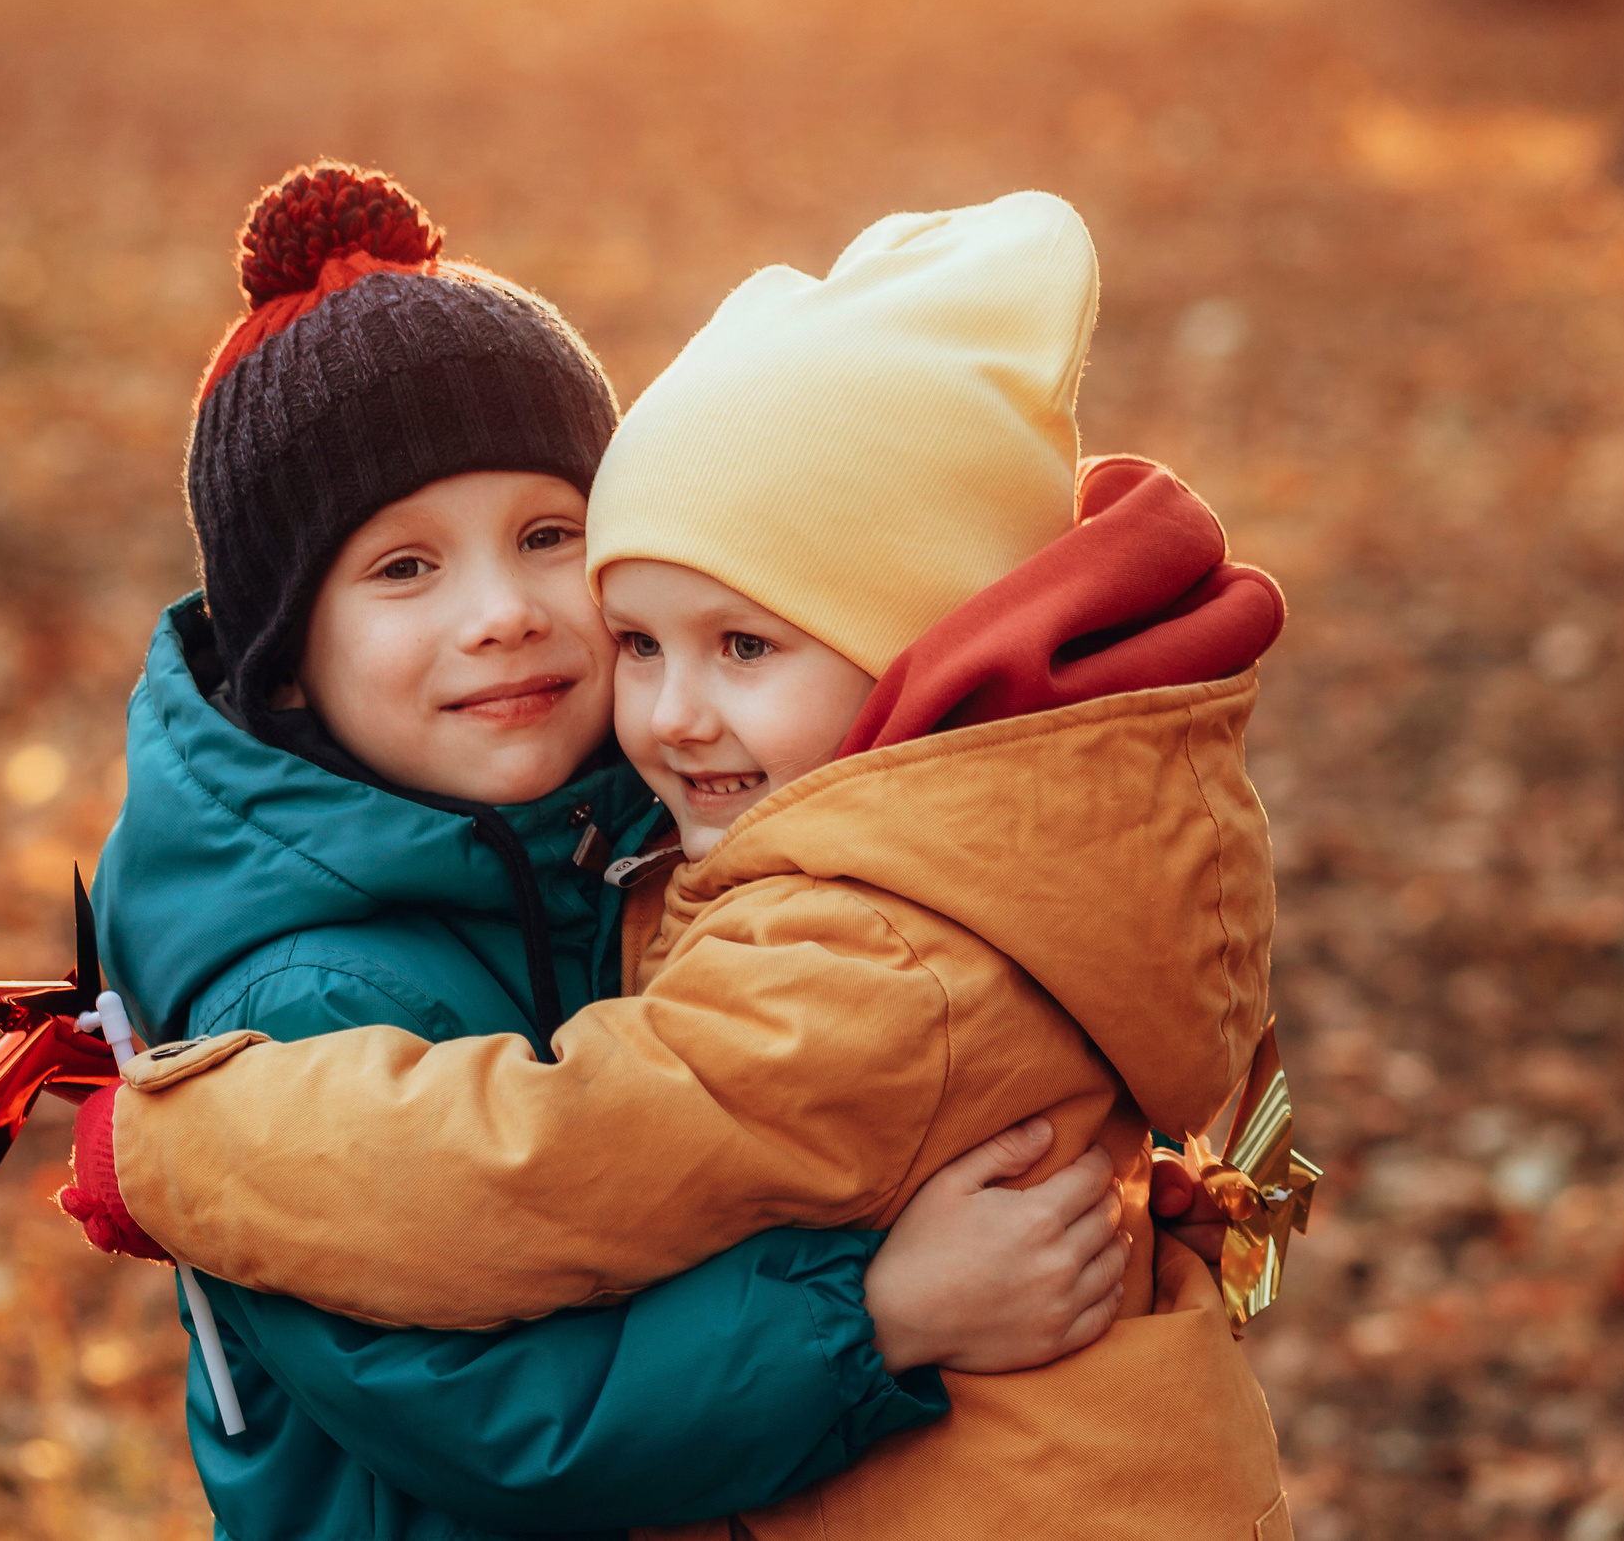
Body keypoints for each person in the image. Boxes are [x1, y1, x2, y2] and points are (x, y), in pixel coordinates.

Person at [74, 191, 1295, 1540]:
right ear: (285, 661)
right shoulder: (313, 987)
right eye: (405, 567)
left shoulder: (783, 887)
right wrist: (881, 1315)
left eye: (549, 539)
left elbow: (603, 1146)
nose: (503, 616)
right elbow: (495, 1406)